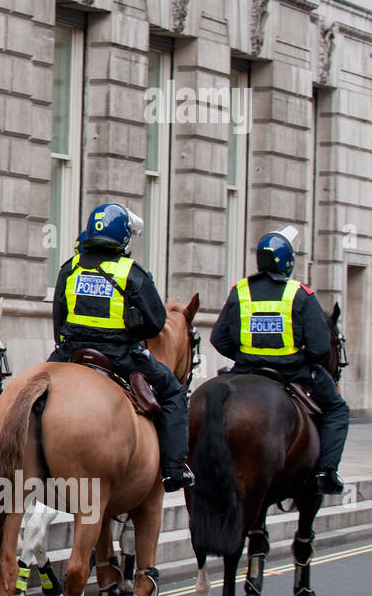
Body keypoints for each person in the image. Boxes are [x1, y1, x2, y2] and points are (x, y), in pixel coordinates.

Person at [49, 203, 194, 491]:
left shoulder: (70, 267)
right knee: (173, 392)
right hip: (120, 356)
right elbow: (156, 323)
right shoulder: (132, 272)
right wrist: (132, 329)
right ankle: (174, 470)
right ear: (124, 238)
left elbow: (58, 318)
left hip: (70, 352)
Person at [210, 228, 348, 494]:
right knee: (337, 410)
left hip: (246, 371)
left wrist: (244, 356)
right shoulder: (299, 293)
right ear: (288, 262)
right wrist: (299, 359)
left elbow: (218, 338)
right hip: (294, 373)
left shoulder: (240, 291)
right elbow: (320, 346)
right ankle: (325, 472)